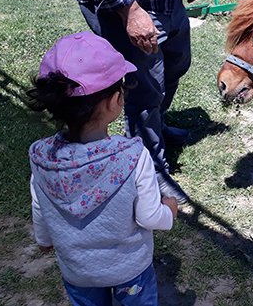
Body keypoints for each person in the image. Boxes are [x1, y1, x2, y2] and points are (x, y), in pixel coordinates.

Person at [27, 32, 179, 305]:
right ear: (114, 100)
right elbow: (149, 217)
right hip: (130, 269)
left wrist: (44, 239)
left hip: (77, 272)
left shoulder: (41, 156)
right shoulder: (133, 155)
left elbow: (39, 206)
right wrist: (169, 209)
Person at [64, 0, 202, 203]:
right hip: (123, 5)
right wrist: (129, 10)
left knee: (177, 62)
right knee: (145, 87)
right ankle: (150, 168)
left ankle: (155, 127)